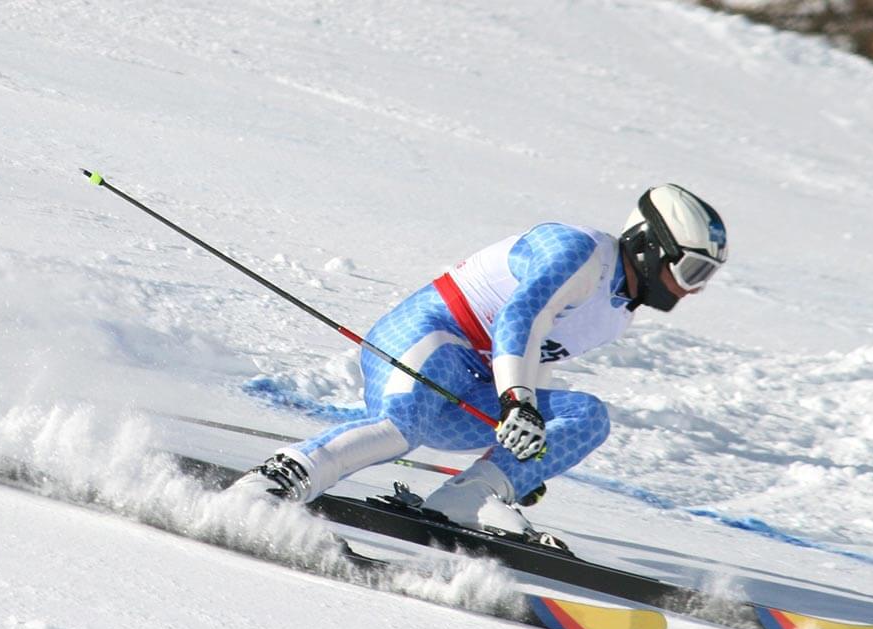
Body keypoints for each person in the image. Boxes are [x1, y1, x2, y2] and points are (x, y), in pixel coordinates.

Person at [233, 184, 729, 535]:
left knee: (587, 417)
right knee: (401, 428)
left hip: (475, 383)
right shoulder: (578, 251)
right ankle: (278, 479)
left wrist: (522, 460)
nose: (691, 289)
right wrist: (519, 402)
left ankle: (466, 500)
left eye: (705, 277)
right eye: (690, 269)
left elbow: (536, 356)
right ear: (649, 246)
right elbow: (520, 318)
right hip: (430, 339)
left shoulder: (618, 313)